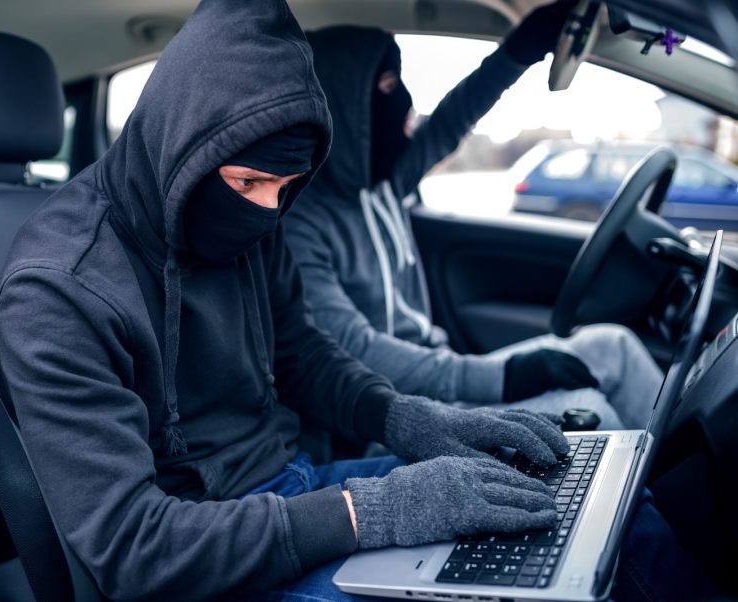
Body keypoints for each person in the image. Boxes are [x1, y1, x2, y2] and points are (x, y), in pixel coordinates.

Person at [0, 1, 571, 599]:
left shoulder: (247, 217)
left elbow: (300, 353)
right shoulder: (59, 289)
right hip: (204, 551)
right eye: (249, 182)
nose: (267, 210)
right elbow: (133, 547)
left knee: (546, 523)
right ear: (183, 143)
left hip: (295, 489)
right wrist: (369, 512)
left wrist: (404, 418)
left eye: (286, 187)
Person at [283, 4, 663, 430]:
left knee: (615, 345)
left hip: (442, 379)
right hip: (400, 414)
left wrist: (518, 52)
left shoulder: (384, 181)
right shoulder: (299, 226)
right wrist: (504, 376)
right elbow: (356, 351)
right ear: (342, 105)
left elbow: (452, 120)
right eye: (389, 85)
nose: (405, 103)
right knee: (589, 409)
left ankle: (692, 468)